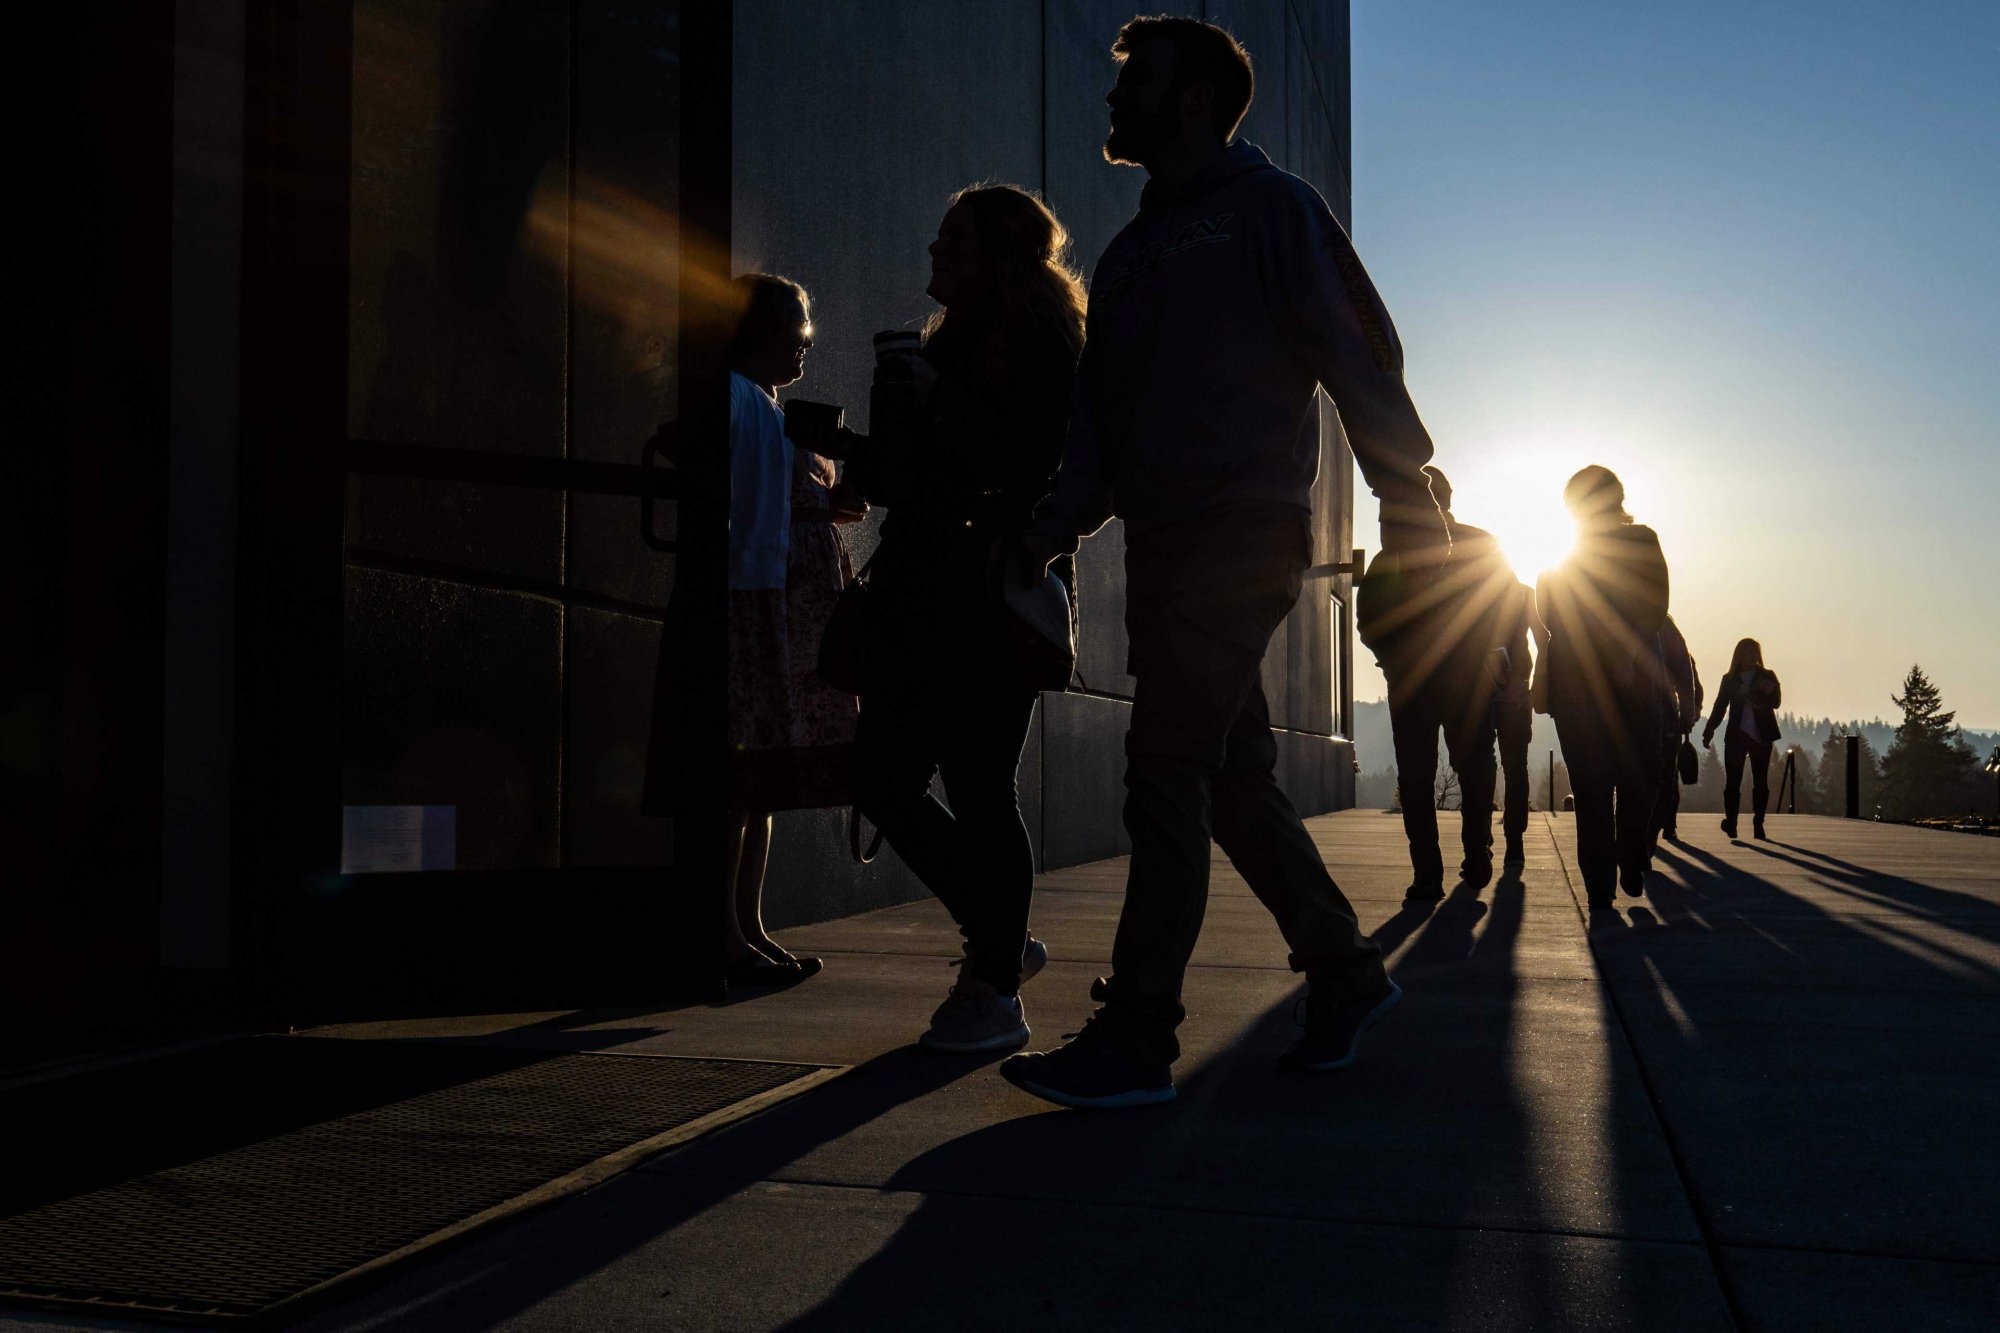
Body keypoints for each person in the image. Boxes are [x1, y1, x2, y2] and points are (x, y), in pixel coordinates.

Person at [1003, 16, 1446, 1109]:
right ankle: (1342, 973)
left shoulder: (1270, 211)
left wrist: (1407, 502)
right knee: (1231, 782)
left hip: (1239, 538)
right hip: (1160, 548)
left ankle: (1136, 1035)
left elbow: (1357, 353)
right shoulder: (1131, 250)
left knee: (1161, 773)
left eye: (1135, 82)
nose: (1114, 101)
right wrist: (1048, 524)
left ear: (1195, 97)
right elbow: (1094, 429)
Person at [844, 185, 1084, 1053]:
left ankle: (992, 989)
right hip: (922, 588)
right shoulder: (947, 344)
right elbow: (912, 476)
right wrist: (861, 451)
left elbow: (1027, 463)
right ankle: (998, 938)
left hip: (989, 589)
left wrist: (925, 399)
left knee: (980, 785)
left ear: (1003, 255)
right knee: (882, 777)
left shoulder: (1041, 343)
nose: (936, 251)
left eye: (957, 238)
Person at [644, 274, 864, 988]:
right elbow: (702, 462)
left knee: (761, 778)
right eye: (795, 334)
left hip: (774, 606)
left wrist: (831, 497)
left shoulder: (771, 407)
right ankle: (724, 932)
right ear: (757, 332)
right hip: (744, 602)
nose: (804, 348)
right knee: (735, 779)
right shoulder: (731, 399)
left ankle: (750, 924)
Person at [1379, 466, 1519, 900]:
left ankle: (1447, 866)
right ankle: (1447, 866)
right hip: (1434, 683)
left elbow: (1506, 606)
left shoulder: (1478, 546)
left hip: (1453, 681)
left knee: (1437, 777)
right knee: (1441, 776)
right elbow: (1372, 617)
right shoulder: (1398, 556)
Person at [1534, 466, 1670, 910]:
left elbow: (1655, 601)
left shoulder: (1641, 541)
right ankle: (1598, 886)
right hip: (1578, 688)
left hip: (1633, 681)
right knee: (1592, 791)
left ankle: (1630, 855)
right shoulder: (1565, 553)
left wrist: (1628, 650)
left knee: (1641, 779)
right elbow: (1550, 612)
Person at [1702, 637, 1782, 839]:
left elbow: (1776, 702)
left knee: (1760, 781)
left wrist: (1766, 692)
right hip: (1737, 736)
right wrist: (1709, 729)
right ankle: (1731, 822)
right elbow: (1720, 707)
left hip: (1761, 735)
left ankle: (1758, 822)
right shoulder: (1729, 679)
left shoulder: (1767, 676)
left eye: (1756, 652)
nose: (1754, 656)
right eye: (1750, 652)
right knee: (1732, 782)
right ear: (1740, 655)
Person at [1649, 615, 1702, 851]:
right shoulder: (1667, 627)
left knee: (1661, 779)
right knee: (1664, 779)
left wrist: (1689, 711)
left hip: (1659, 716)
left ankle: (1650, 834)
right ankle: (1648, 837)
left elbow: (1686, 673)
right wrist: (1688, 711)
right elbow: (1685, 672)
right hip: (1663, 716)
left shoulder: (1665, 627)